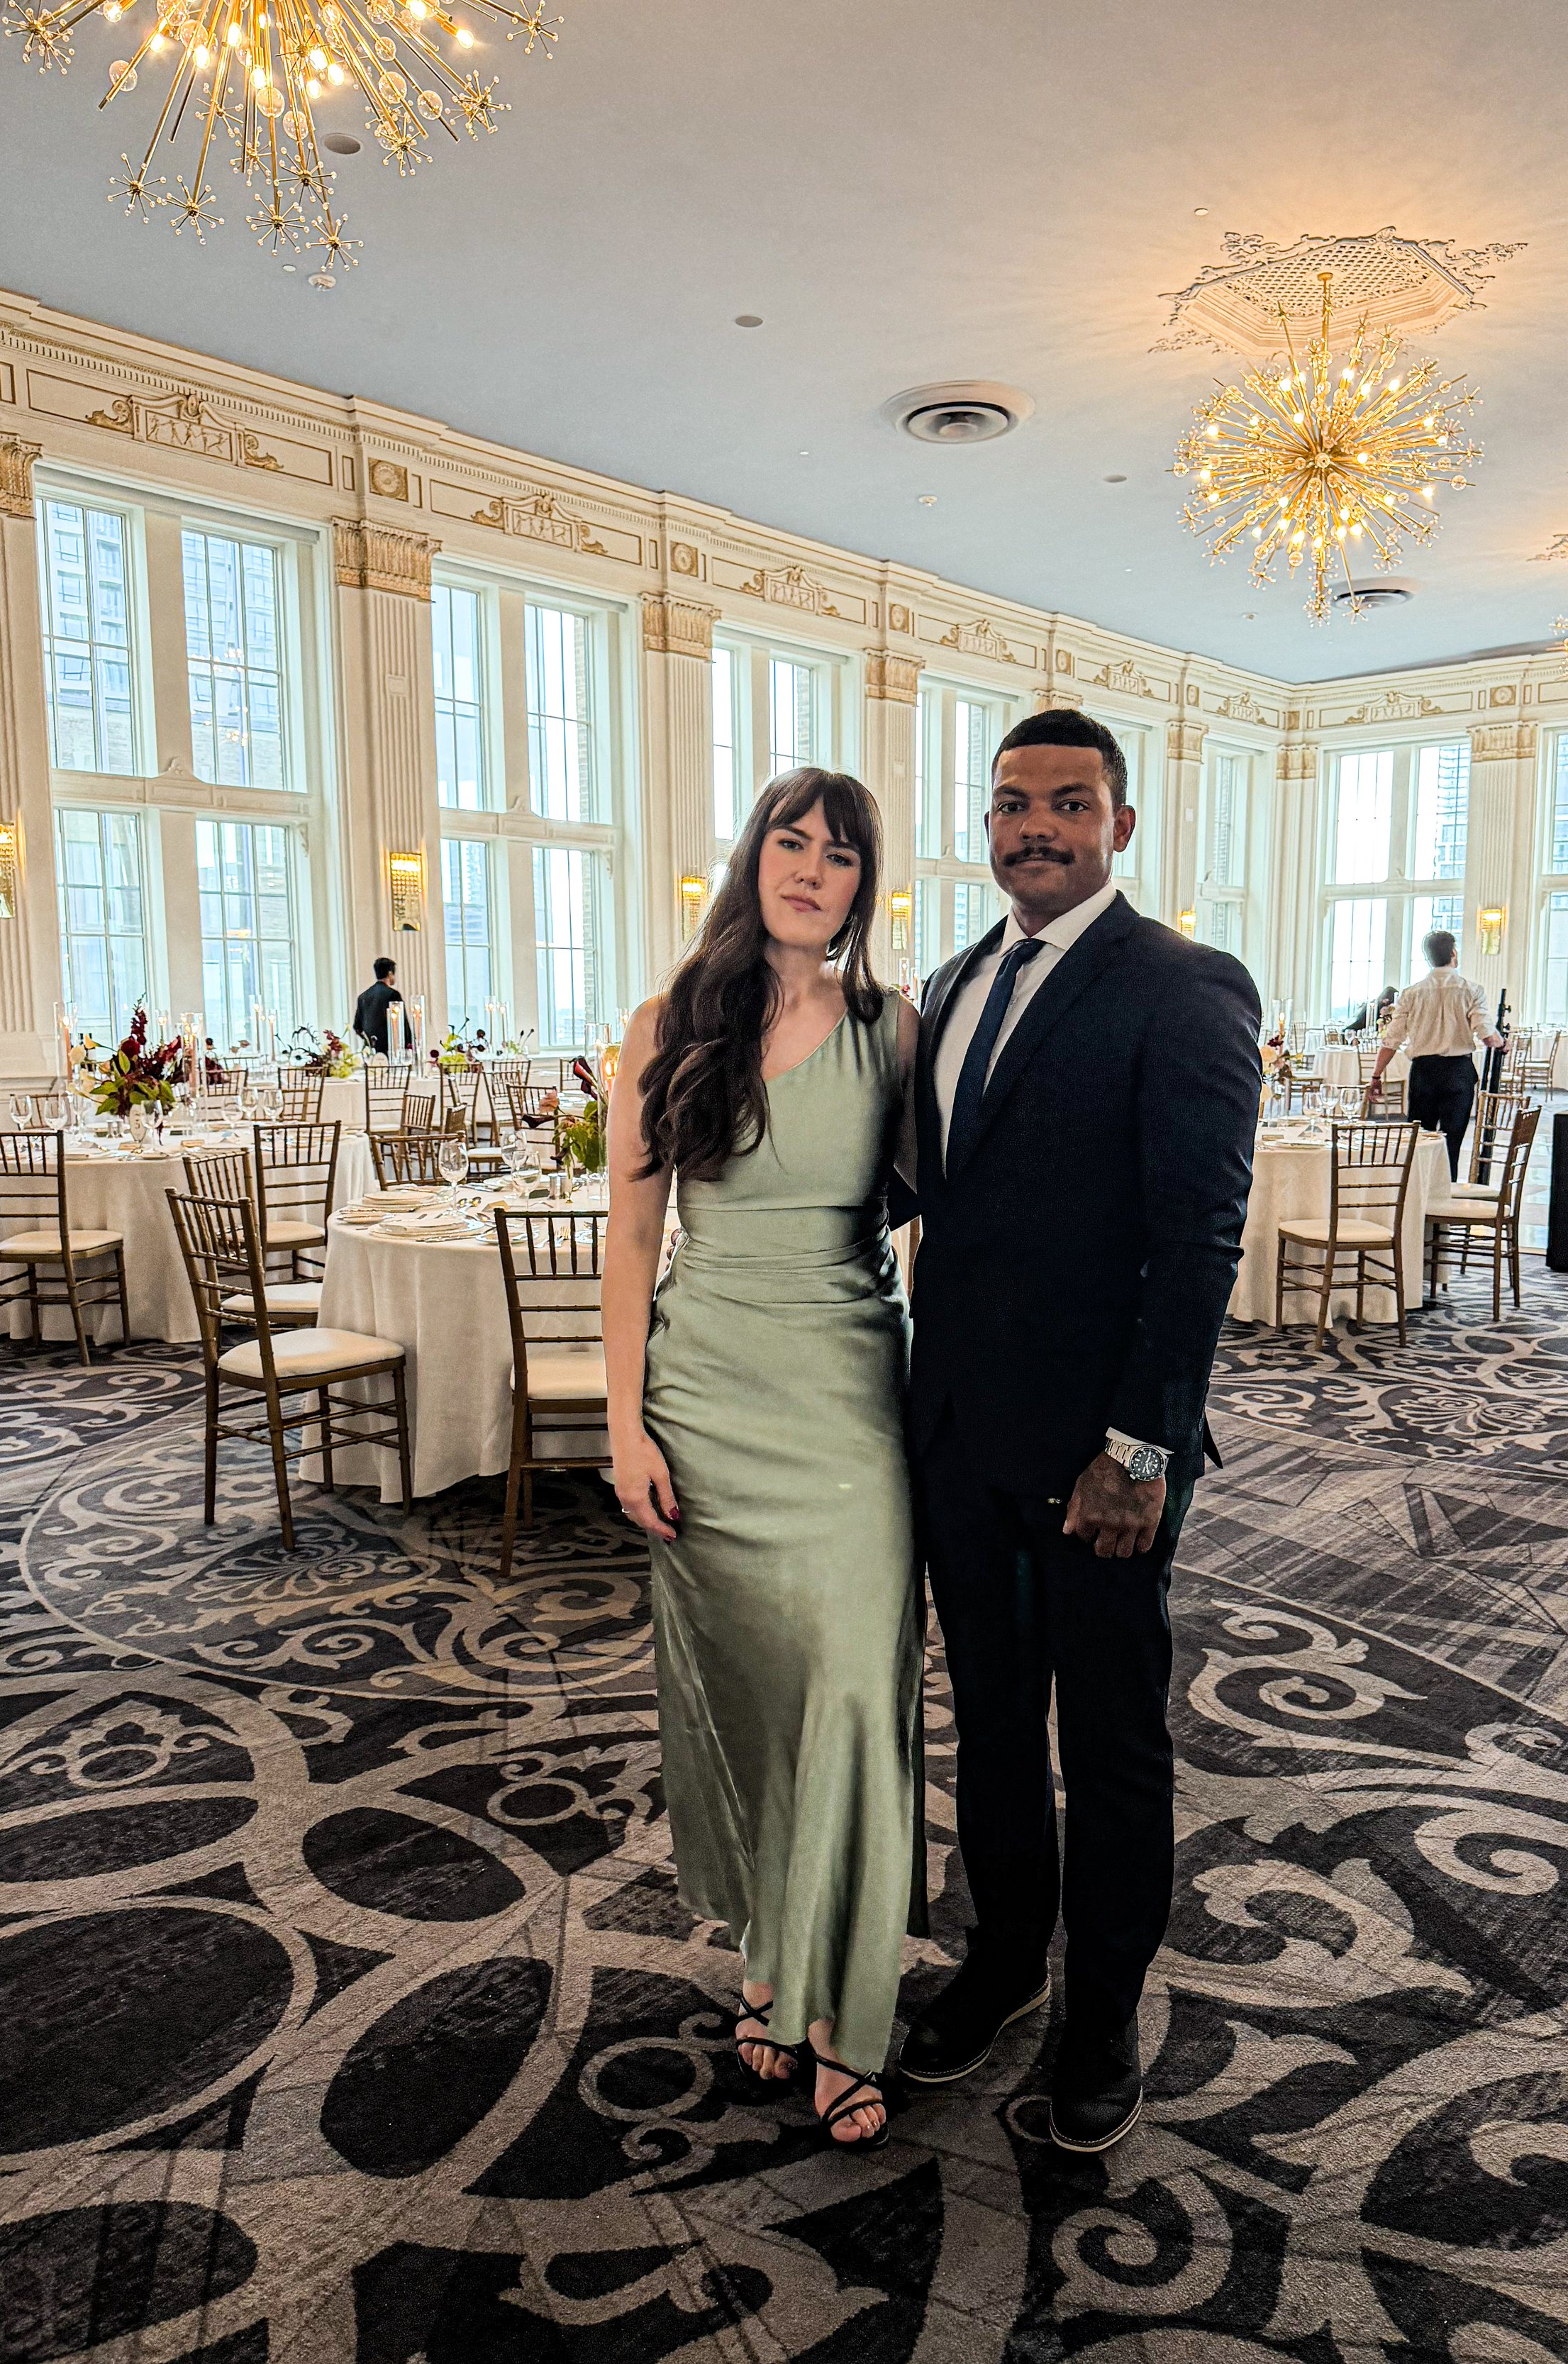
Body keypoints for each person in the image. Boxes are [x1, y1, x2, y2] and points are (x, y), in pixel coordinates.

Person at [899, 709, 1261, 2154]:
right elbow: (932, 1197)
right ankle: (998, 1964)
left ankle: (1098, 2014)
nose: (1031, 827)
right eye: (1007, 805)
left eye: (1064, 803)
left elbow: (1199, 1239)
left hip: (1098, 1462)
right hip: (953, 1442)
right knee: (987, 1728)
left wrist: (1142, 1448)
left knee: (1106, 1745)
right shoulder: (949, 978)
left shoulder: (1181, 984)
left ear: (1120, 823)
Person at [604, 767, 921, 2153]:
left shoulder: (894, 1031)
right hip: (706, 1398)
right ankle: (770, 1961)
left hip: (850, 1401)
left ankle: (849, 2016)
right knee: (746, 1697)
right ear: (754, 859)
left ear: (862, 883)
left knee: (855, 1692)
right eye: (789, 841)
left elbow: (941, 1229)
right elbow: (629, 1240)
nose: (809, 867)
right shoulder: (667, 1024)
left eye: (837, 853)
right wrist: (621, 1423)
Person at [1366, 931, 1503, 1177]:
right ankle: (1445, 1197)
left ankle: (1418, 1199)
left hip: (1424, 1073)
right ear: (1453, 953)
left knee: (1419, 1142)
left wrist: (1376, 1076)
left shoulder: (1411, 993)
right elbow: (1488, 1037)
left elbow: (1392, 1040)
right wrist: (1503, 1042)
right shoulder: (1471, 990)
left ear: (1428, 958)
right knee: (1452, 1143)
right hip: (1458, 1073)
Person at [352, 958, 412, 1055]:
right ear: (390, 973)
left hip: (373, 1052)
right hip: (392, 1050)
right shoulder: (393, 995)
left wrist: (369, 1042)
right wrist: (409, 1046)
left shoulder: (363, 997)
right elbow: (402, 1024)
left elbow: (357, 1027)